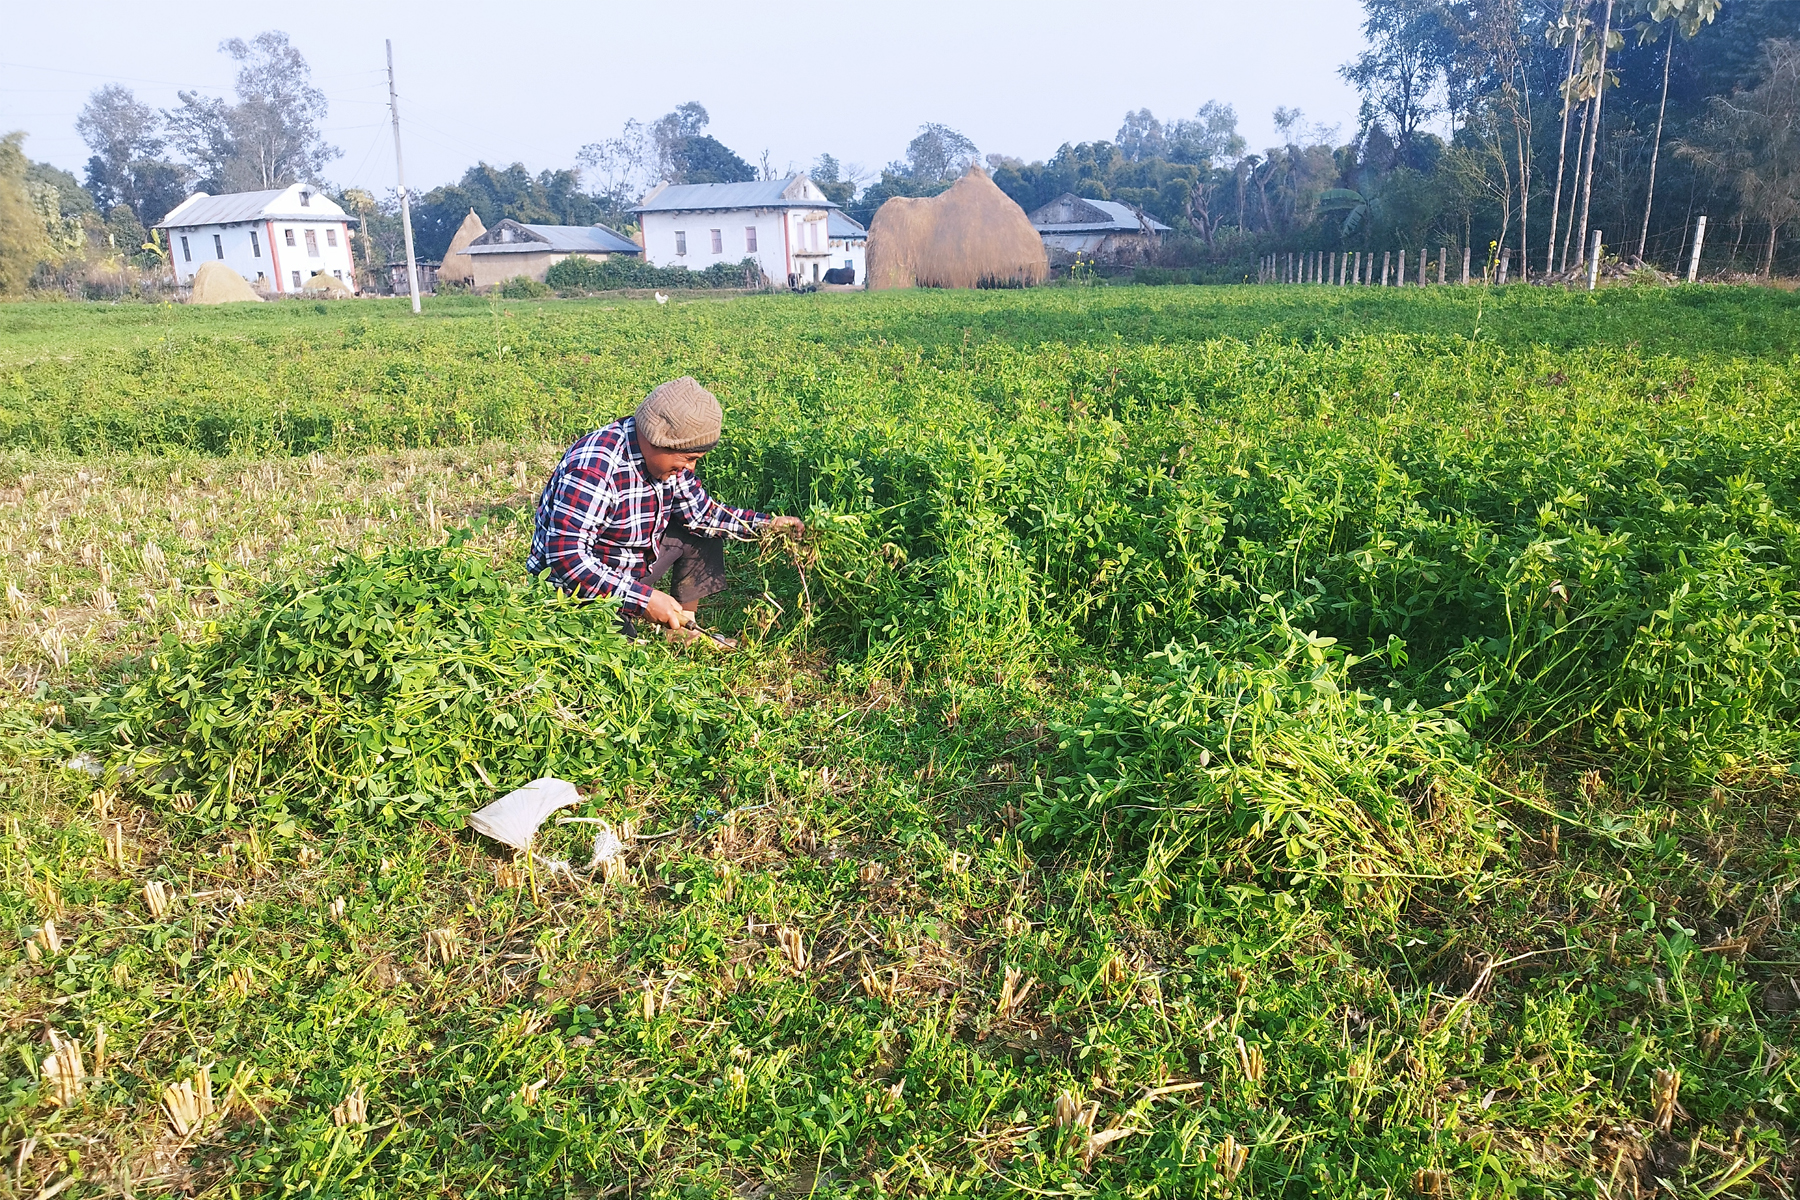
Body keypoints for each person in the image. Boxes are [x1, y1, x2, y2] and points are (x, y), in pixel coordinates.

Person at [526, 376, 803, 638]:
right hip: (577, 590)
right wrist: (641, 599)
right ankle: (632, 615)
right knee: (618, 653)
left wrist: (766, 525)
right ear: (659, 440)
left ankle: (683, 629)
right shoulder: (596, 469)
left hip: (630, 566)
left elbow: (703, 515)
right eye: (689, 457)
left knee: (702, 534)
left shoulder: (668, 464)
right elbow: (566, 558)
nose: (691, 467)